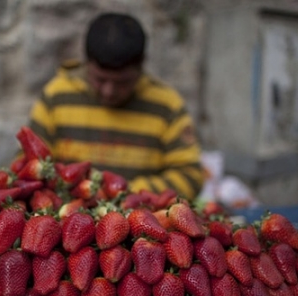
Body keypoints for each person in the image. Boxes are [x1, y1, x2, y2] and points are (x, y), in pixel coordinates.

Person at [27, 12, 205, 199]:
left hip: (140, 221)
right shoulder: (57, 96)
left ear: (141, 66)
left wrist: (124, 192)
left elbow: (190, 177)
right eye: (100, 79)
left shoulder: (167, 105)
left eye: (122, 83)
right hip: (67, 221)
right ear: (87, 63)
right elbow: (28, 165)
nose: (109, 91)